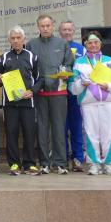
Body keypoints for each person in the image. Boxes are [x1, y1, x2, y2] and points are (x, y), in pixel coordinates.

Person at [70, 31, 111, 175]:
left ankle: (109, 164)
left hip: (108, 103)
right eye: (90, 43)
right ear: (85, 45)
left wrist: (109, 86)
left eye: (96, 42)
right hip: (88, 104)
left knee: (109, 133)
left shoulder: (110, 61)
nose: (93, 45)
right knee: (90, 134)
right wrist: (82, 84)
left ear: (100, 44)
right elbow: (73, 87)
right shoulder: (79, 63)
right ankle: (94, 163)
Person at [26, 14, 75, 174]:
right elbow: (28, 68)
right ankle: (45, 163)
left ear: (53, 26)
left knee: (59, 129)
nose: (45, 28)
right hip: (40, 94)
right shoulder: (31, 45)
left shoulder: (62, 43)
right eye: (42, 26)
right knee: (42, 129)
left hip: (59, 92)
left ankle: (60, 163)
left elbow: (69, 64)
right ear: (38, 27)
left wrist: (65, 72)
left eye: (48, 25)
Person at [0, 26, 41, 175]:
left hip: (28, 102)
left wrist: (32, 91)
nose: (15, 41)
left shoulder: (32, 56)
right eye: (13, 38)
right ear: (9, 40)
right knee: (11, 133)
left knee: (29, 133)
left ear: (23, 39)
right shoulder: (3, 57)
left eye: (18, 38)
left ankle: (29, 164)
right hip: (10, 104)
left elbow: (40, 79)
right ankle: (14, 164)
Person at [59, 20, 86, 171]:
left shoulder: (81, 49)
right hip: (59, 92)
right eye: (64, 29)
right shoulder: (56, 46)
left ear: (73, 31)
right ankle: (62, 158)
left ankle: (78, 159)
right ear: (60, 32)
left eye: (69, 29)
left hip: (76, 93)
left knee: (76, 127)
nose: (67, 32)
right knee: (61, 127)